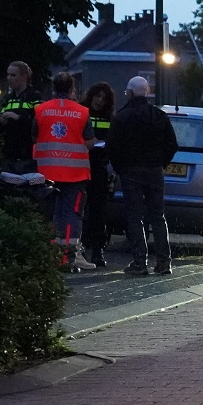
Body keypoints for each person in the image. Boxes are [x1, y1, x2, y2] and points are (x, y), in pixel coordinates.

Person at [109, 76, 177, 276]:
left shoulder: (122, 117)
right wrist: (160, 163)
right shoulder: (159, 116)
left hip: (131, 171)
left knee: (134, 216)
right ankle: (164, 262)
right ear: (146, 93)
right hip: (154, 171)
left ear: (130, 93)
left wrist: (120, 167)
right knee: (157, 216)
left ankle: (140, 262)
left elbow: (113, 147)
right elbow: (172, 144)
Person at [33, 71, 96, 269]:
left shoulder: (41, 110)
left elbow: (35, 137)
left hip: (46, 172)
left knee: (52, 214)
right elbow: (89, 142)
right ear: (71, 89)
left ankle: (50, 255)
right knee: (72, 214)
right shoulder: (82, 112)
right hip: (75, 173)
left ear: (53, 88)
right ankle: (70, 256)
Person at [80, 81, 115, 268]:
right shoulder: (81, 113)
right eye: (97, 96)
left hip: (100, 167)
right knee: (81, 209)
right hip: (81, 165)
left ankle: (98, 249)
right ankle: (82, 246)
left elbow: (113, 142)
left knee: (99, 211)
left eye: (103, 98)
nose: (99, 101)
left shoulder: (110, 118)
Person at [0, 61, 40, 174]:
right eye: (8, 74)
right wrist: (1, 122)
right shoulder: (8, 98)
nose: (9, 78)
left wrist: (18, 118)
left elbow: (39, 123)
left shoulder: (34, 96)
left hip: (27, 153)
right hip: (8, 152)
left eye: (13, 75)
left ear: (24, 77)